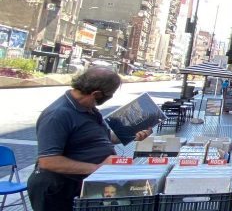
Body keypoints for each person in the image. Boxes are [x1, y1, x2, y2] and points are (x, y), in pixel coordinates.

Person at [27, 67, 152, 211]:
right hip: (58, 188)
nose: (110, 97)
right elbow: (48, 161)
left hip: (80, 185)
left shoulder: (89, 109)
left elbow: (103, 138)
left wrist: (132, 134)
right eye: (110, 94)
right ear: (96, 94)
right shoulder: (58, 115)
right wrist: (99, 168)